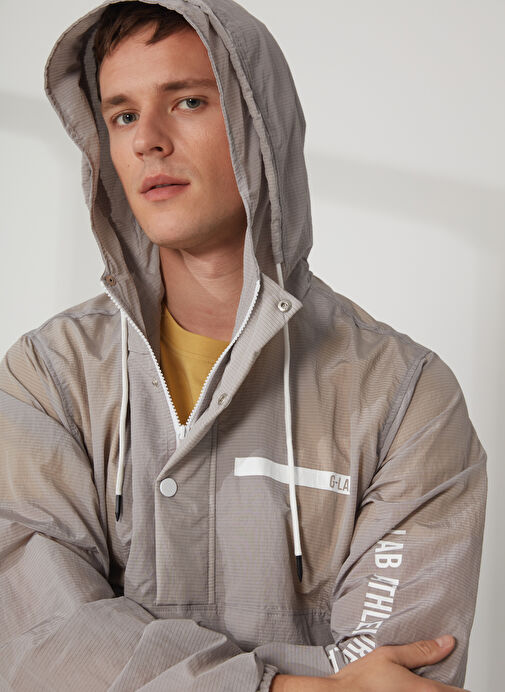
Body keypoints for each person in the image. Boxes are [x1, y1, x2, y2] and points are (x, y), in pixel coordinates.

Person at [0, 1, 486, 690]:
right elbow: (35, 641)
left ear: (264, 126)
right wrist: (281, 685)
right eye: (123, 115)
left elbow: (397, 678)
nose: (147, 141)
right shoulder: (48, 378)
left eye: (188, 101)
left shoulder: (404, 398)